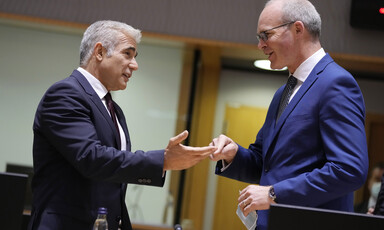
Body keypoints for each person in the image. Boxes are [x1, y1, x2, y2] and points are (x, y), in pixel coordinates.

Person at [29, 20, 216, 230]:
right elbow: (92, 158)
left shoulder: (114, 109)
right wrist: (161, 161)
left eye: (135, 56)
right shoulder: (65, 94)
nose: (134, 64)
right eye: (128, 54)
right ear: (99, 52)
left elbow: (112, 181)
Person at [209, 0, 368, 229]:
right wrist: (233, 154)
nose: (260, 45)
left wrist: (274, 194)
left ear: (297, 29)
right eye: (259, 37)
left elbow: (349, 169)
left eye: (265, 35)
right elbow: (266, 163)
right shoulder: (283, 93)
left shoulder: (336, 83)